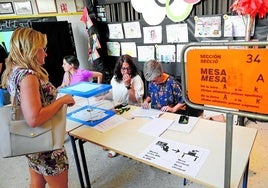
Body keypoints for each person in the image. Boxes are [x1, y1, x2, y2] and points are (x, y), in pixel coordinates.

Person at [1, 27, 75, 188]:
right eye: (43, 49)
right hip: (45, 141)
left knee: (37, 181)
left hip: (30, 140)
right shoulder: (28, 77)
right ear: (32, 50)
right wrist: (62, 101)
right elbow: (34, 118)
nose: (45, 53)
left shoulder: (14, 72)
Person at [101, 54, 144, 157]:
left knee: (118, 118)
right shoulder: (115, 78)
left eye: (128, 68)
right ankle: (113, 144)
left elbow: (135, 101)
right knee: (106, 115)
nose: (125, 71)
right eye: (123, 68)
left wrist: (128, 85)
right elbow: (113, 93)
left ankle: (118, 146)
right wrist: (102, 97)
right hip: (119, 106)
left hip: (132, 107)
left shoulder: (136, 78)